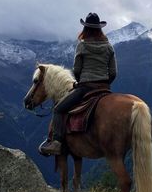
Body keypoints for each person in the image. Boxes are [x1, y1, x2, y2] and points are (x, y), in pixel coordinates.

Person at [40, 12, 117, 156]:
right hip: (104, 88)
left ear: (85, 29)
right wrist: (105, 84)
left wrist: (80, 82)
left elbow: (76, 70)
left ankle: (56, 143)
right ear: (100, 28)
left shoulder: (82, 46)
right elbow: (113, 72)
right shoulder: (109, 47)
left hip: (85, 88)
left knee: (58, 109)